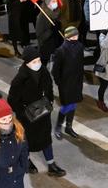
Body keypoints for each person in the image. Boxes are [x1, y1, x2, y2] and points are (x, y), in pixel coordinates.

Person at [8, 46, 66, 177]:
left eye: (38, 60)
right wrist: (23, 113)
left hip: (42, 112)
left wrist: (50, 101)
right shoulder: (20, 79)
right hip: (27, 117)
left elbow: (49, 87)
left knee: (46, 138)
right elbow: (12, 99)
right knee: (26, 140)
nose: (38, 63)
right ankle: (27, 161)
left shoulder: (44, 71)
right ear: (27, 63)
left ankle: (51, 164)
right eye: (34, 61)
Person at [51, 26, 84, 139]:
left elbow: (80, 65)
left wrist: (80, 79)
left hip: (77, 82)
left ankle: (68, 127)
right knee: (66, 106)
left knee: (73, 104)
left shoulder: (80, 47)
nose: (76, 37)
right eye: (74, 35)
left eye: (77, 35)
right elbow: (55, 70)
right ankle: (58, 126)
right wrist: (59, 83)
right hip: (65, 84)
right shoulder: (60, 51)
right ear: (68, 37)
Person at [35, 0, 63, 68]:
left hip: (55, 48)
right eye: (53, 1)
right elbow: (39, 35)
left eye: (56, 1)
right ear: (48, 3)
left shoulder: (56, 14)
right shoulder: (41, 16)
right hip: (45, 50)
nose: (55, 3)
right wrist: (51, 30)